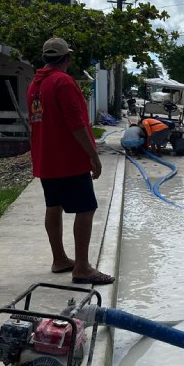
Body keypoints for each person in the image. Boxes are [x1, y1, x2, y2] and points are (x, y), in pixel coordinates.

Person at [26, 37, 115, 286]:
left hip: (46, 158)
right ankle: (83, 268)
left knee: (53, 206)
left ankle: (60, 259)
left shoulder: (36, 83)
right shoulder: (63, 82)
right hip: (68, 159)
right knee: (86, 208)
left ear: (46, 58)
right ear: (67, 58)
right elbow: (75, 124)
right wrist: (93, 156)